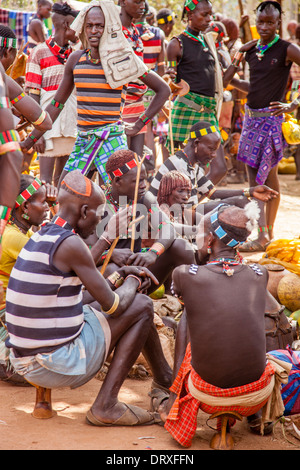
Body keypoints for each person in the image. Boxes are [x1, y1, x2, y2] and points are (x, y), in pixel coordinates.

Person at [5, 169, 173, 426]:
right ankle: (106, 404)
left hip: (24, 359)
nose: (100, 219)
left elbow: (75, 295)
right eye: (98, 213)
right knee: (142, 305)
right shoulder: (70, 244)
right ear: (84, 212)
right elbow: (114, 306)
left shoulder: (42, 234)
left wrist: (120, 277)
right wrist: (134, 280)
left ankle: (164, 379)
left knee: (110, 302)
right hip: (53, 363)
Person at [158, 202, 289, 448]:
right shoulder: (260, 274)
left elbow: (194, 298)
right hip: (256, 393)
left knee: (190, 314)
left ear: (210, 240)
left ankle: (174, 398)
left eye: (199, 234)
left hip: (207, 394)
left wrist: (199, 256)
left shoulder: (185, 274)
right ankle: (255, 414)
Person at [21, 0, 170, 187]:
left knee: (118, 196)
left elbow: (164, 89)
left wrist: (139, 124)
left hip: (112, 140)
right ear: (83, 28)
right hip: (83, 139)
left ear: (109, 28)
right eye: (89, 26)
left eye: (100, 26)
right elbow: (57, 104)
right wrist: (30, 140)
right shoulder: (76, 60)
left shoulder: (123, 58)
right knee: (65, 191)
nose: (94, 31)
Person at [223, 1, 300, 251]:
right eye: (261, 22)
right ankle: (261, 232)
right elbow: (228, 82)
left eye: (270, 22)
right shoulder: (252, 50)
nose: (264, 26)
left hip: (271, 120)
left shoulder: (287, 49)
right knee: (251, 178)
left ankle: (266, 236)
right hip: (250, 120)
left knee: (267, 175)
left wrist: (293, 103)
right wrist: (239, 53)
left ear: (278, 23)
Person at [96, 149, 196, 290]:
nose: (144, 185)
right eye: (137, 181)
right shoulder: (98, 204)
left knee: (181, 246)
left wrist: (152, 253)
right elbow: (82, 253)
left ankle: (191, 303)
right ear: (118, 181)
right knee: (112, 269)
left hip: (139, 270)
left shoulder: (144, 198)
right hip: (107, 276)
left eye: (144, 179)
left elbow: (167, 228)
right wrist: (110, 254)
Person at [149, 121, 278, 224]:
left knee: (242, 202)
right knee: (231, 209)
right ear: (197, 144)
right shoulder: (179, 166)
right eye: (211, 149)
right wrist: (220, 213)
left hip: (185, 215)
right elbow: (186, 213)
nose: (214, 155)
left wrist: (251, 191)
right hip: (167, 221)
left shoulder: (191, 164)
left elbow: (212, 193)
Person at [0, 175, 57, 384]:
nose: (47, 208)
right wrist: (60, 211)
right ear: (25, 206)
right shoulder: (14, 238)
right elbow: (56, 261)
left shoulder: (11, 231)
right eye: (43, 203)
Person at [165, 0, 227, 185]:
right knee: (181, 172)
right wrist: (170, 78)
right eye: (204, 15)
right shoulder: (177, 44)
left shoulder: (208, 41)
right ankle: (181, 208)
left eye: (211, 14)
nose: (210, 19)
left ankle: (192, 201)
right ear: (190, 15)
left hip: (208, 113)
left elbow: (221, 81)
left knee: (219, 168)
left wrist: (239, 56)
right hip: (186, 110)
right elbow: (171, 80)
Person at [25, 2, 79, 186]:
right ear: (67, 26)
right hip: (47, 128)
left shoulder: (77, 54)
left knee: (64, 182)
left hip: (71, 126)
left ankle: (59, 215)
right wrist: (37, 133)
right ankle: (46, 215)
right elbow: (32, 96)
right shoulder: (39, 52)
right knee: (45, 181)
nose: (80, 31)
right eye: (77, 26)